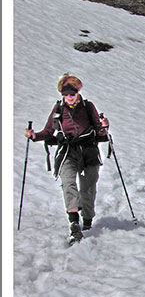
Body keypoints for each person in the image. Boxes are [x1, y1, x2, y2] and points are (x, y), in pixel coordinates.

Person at [25, 74, 109, 243]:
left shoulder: (87, 106)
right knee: (68, 183)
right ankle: (74, 224)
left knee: (88, 189)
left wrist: (104, 126)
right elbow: (49, 132)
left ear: (78, 92)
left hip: (88, 151)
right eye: (66, 94)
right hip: (67, 152)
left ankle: (87, 220)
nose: (69, 97)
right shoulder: (58, 109)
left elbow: (100, 131)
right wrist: (34, 136)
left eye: (72, 93)